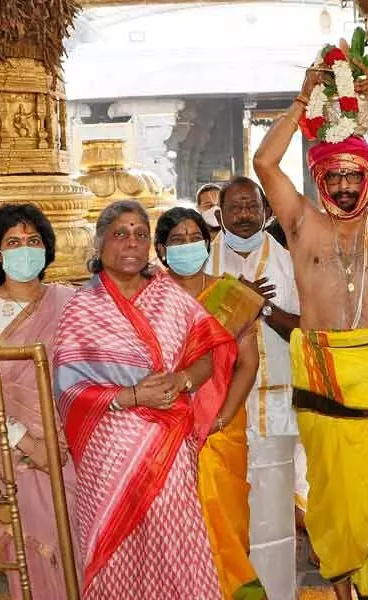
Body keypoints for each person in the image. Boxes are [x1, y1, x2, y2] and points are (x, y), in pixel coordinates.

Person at [253, 54, 368, 599]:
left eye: (351, 175)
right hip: (323, 368)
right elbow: (267, 165)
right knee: (337, 493)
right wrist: (299, 102)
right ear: (319, 180)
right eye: (331, 177)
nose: (340, 186)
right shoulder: (300, 223)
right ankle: (344, 587)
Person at [53, 200, 237, 599]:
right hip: (108, 451)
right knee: (117, 547)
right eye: (120, 233)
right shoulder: (83, 306)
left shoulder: (170, 296)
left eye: (140, 234)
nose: (131, 243)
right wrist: (131, 396)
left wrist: (184, 380)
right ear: (100, 244)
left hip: (167, 446)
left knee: (176, 543)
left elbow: (207, 351)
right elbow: (68, 386)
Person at [0, 203, 81, 600]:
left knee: (80, 542)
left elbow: (91, 375)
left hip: (73, 446)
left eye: (33, 240)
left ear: (46, 248)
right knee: (33, 550)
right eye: (13, 242)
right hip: (15, 451)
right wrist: (29, 443)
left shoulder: (71, 301)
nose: (24, 248)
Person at [202, 177, 307, 600]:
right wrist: (234, 302)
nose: (244, 214)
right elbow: (190, 337)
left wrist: (264, 308)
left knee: (274, 517)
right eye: (235, 207)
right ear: (220, 214)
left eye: (251, 206)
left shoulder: (289, 261)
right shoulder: (202, 264)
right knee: (222, 514)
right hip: (219, 413)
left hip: (275, 410)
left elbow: (307, 330)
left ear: (266, 211)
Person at [156, 206, 267, 600]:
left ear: (208, 244)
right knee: (173, 535)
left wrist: (219, 419)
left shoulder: (232, 294)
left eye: (194, 239)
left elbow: (247, 364)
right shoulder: (151, 300)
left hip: (221, 430)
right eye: (177, 240)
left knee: (228, 531)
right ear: (161, 250)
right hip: (167, 433)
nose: (187, 246)